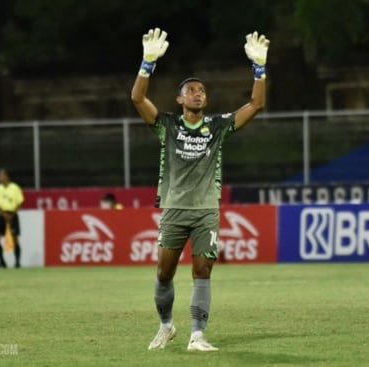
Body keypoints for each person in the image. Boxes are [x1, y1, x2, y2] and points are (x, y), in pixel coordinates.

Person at [131, 28, 269, 352]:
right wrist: (146, 63)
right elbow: (137, 98)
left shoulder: (218, 126)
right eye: (191, 90)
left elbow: (256, 104)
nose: (198, 93)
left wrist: (259, 69)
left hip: (206, 209)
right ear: (180, 99)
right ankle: (166, 326)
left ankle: (197, 336)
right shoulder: (167, 125)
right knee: (164, 273)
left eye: (201, 90)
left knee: (202, 269)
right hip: (175, 208)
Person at [0, 168, 25, 268]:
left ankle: (17, 262)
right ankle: (2, 261)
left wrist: (12, 214)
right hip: (2, 215)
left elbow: (20, 202)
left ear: (6, 176)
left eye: (1, 175)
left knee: (15, 239)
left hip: (12, 215)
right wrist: (4, 214)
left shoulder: (15, 188)